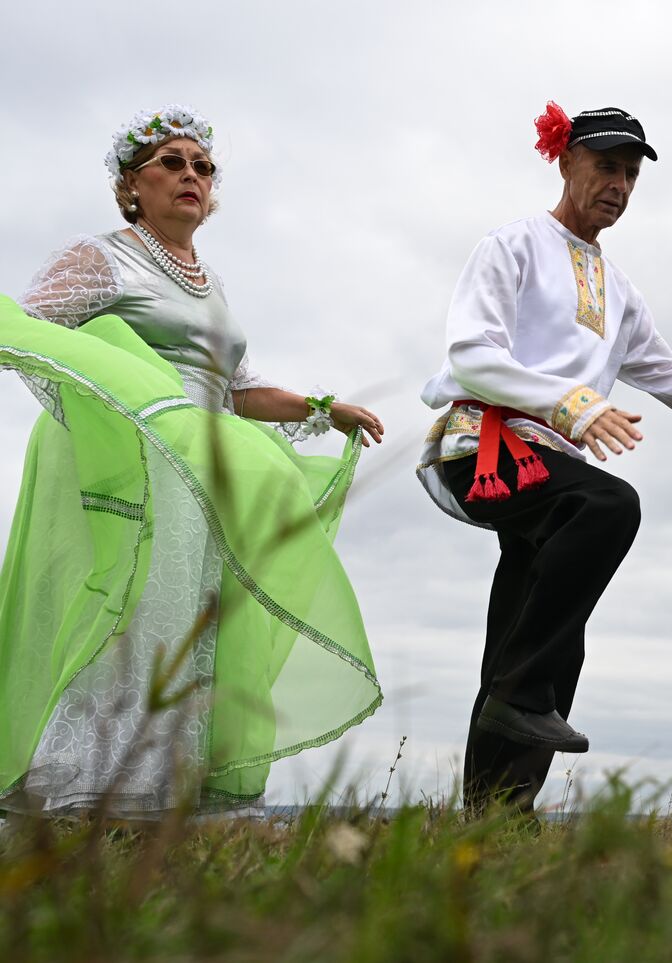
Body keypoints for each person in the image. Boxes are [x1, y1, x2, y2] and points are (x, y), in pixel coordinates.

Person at [416, 102, 672, 815]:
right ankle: (518, 695)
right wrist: (573, 404)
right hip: (483, 447)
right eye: (606, 165)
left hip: (544, 461)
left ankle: (494, 818)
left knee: (550, 640)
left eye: (630, 173)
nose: (618, 183)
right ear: (566, 161)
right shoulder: (512, 245)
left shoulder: (621, 292)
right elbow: (472, 354)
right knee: (607, 504)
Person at [0, 105, 384, 818]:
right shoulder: (101, 255)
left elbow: (239, 391)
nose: (192, 176)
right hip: (133, 465)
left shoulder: (215, 285)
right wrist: (102, 415)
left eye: (203, 168)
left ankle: (154, 800)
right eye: (172, 163)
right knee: (131, 611)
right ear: (131, 186)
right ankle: (78, 796)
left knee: (189, 624)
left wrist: (326, 408)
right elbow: (32, 331)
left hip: (204, 477)